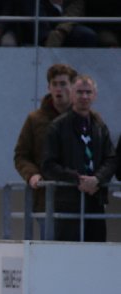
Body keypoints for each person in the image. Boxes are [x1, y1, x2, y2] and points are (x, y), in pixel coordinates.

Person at [41, 74, 116, 242]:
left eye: (88, 92)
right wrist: (77, 179)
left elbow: (111, 159)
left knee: (96, 251)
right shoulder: (57, 127)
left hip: (95, 200)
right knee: (67, 252)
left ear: (94, 95)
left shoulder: (99, 127)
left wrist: (97, 179)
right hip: (68, 203)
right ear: (71, 94)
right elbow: (48, 165)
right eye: (80, 92)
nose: (84, 96)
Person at [13, 63, 77, 231]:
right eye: (54, 84)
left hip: (78, 197)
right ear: (49, 87)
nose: (58, 89)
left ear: (72, 86)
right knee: (48, 243)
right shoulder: (35, 119)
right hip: (46, 198)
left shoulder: (85, 117)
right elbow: (21, 155)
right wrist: (31, 174)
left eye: (63, 84)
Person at [16, 0, 97, 47]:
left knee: (87, 35)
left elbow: (73, 13)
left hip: (64, 30)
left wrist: (60, 33)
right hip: (38, 32)